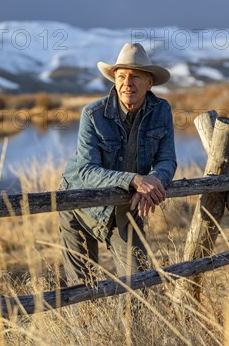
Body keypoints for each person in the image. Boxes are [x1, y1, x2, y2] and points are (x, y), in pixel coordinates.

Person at [58, 42, 177, 285]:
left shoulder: (162, 110)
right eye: (121, 76)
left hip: (125, 204)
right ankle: (86, 323)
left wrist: (155, 180)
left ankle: (133, 325)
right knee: (83, 285)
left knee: (138, 281)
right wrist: (134, 179)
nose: (127, 83)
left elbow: (167, 159)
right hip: (80, 203)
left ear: (149, 82)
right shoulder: (93, 114)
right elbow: (86, 169)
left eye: (135, 76)